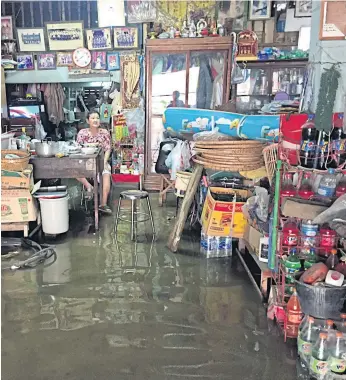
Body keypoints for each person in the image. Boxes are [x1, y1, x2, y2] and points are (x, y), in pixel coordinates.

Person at [76, 110, 112, 214]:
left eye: (97, 118)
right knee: (75, 170)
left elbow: (108, 149)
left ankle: (103, 204)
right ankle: (89, 186)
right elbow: (78, 148)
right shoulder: (82, 133)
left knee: (106, 175)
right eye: (93, 118)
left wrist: (104, 162)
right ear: (88, 121)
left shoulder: (104, 133)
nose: (95, 120)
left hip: (101, 161)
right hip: (86, 162)